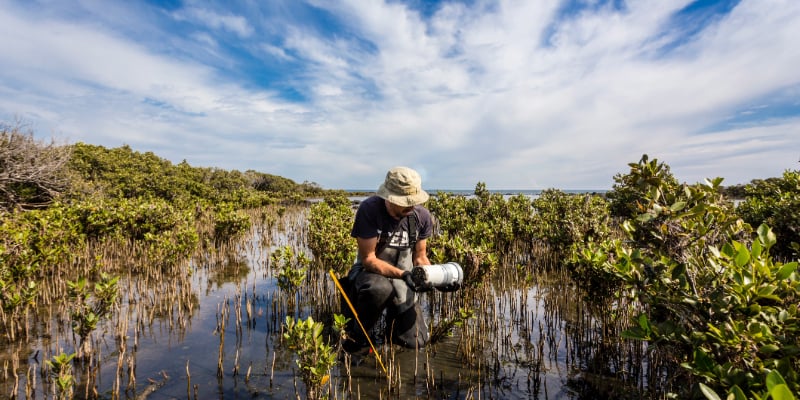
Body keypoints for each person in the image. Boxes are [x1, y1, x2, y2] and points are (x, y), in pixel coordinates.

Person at [342, 166, 434, 353]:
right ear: (390, 198)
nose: (411, 206)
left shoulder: (421, 216)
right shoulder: (369, 209)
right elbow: (369, 259)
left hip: (403, 280)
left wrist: (431, 276)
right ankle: (360, 335)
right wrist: (404, 274)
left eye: (413, 201)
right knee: (380, 289)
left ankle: (394, 324)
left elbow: (420, 256)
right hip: (370, 276)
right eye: (405, 202)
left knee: (416, 342)